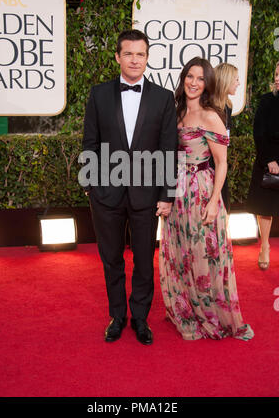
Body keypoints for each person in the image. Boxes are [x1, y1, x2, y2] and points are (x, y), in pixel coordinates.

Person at [82, 29, 177, 345]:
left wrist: (166, 194)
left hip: (146, 196)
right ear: (118, 57)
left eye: (140, 54)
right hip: (106, 195)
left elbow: (167, 148)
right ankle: (117, 316)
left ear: (147, 58)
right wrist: (90, 186)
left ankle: (140, 319)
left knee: (143, 261)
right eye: (129, 53)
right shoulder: (98, 94)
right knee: (111, 259)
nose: (135, 59)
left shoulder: (163, 98)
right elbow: (90, 143)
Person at [159, 57, 254, 341]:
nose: (194, 83)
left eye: (200, 79)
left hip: (200, 191)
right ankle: (184, 306)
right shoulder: (175, 112)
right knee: (180, 251)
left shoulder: (212, 115)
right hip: (175, 191)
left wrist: (214, 202)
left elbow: (221, 163)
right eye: (190, 76)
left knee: (203, 253)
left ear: (207, 84)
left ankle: (210, 312)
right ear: (183, 78)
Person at [247, 59, 279, 270]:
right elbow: (258, 132)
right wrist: (269, 159)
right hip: (268, 157)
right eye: (276, 74)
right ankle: (265, 246)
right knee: (265, 206)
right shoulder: (267, 100)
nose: (277, 78)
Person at [213, 63, 240, 212]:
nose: (238, 83)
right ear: (226, 80)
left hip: (221, 163)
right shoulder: (210, 107)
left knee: (224, 207)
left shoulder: (228, 105)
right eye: (236, 79)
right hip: (208, 166)